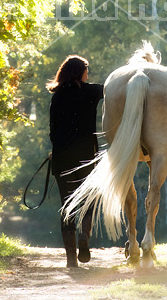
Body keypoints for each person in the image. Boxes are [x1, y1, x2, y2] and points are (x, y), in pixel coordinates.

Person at [47, 54, 103, 268]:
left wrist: (57, 150)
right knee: (88, 203)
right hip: (87, 158)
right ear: (81, 72)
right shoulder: (91, 92)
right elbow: (115, 88)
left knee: (67, 206)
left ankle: (71, 260)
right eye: (86, 70)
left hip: (62, 159)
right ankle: (84, 239)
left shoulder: (57, 96)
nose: (88, 74)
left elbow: (53, 132)